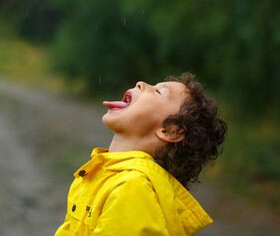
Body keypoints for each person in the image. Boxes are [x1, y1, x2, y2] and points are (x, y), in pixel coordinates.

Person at [54, 72, 227, 236]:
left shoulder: (133, 189)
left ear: (171, 131)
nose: (141, 83)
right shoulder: (105, 175)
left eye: (158, 91)